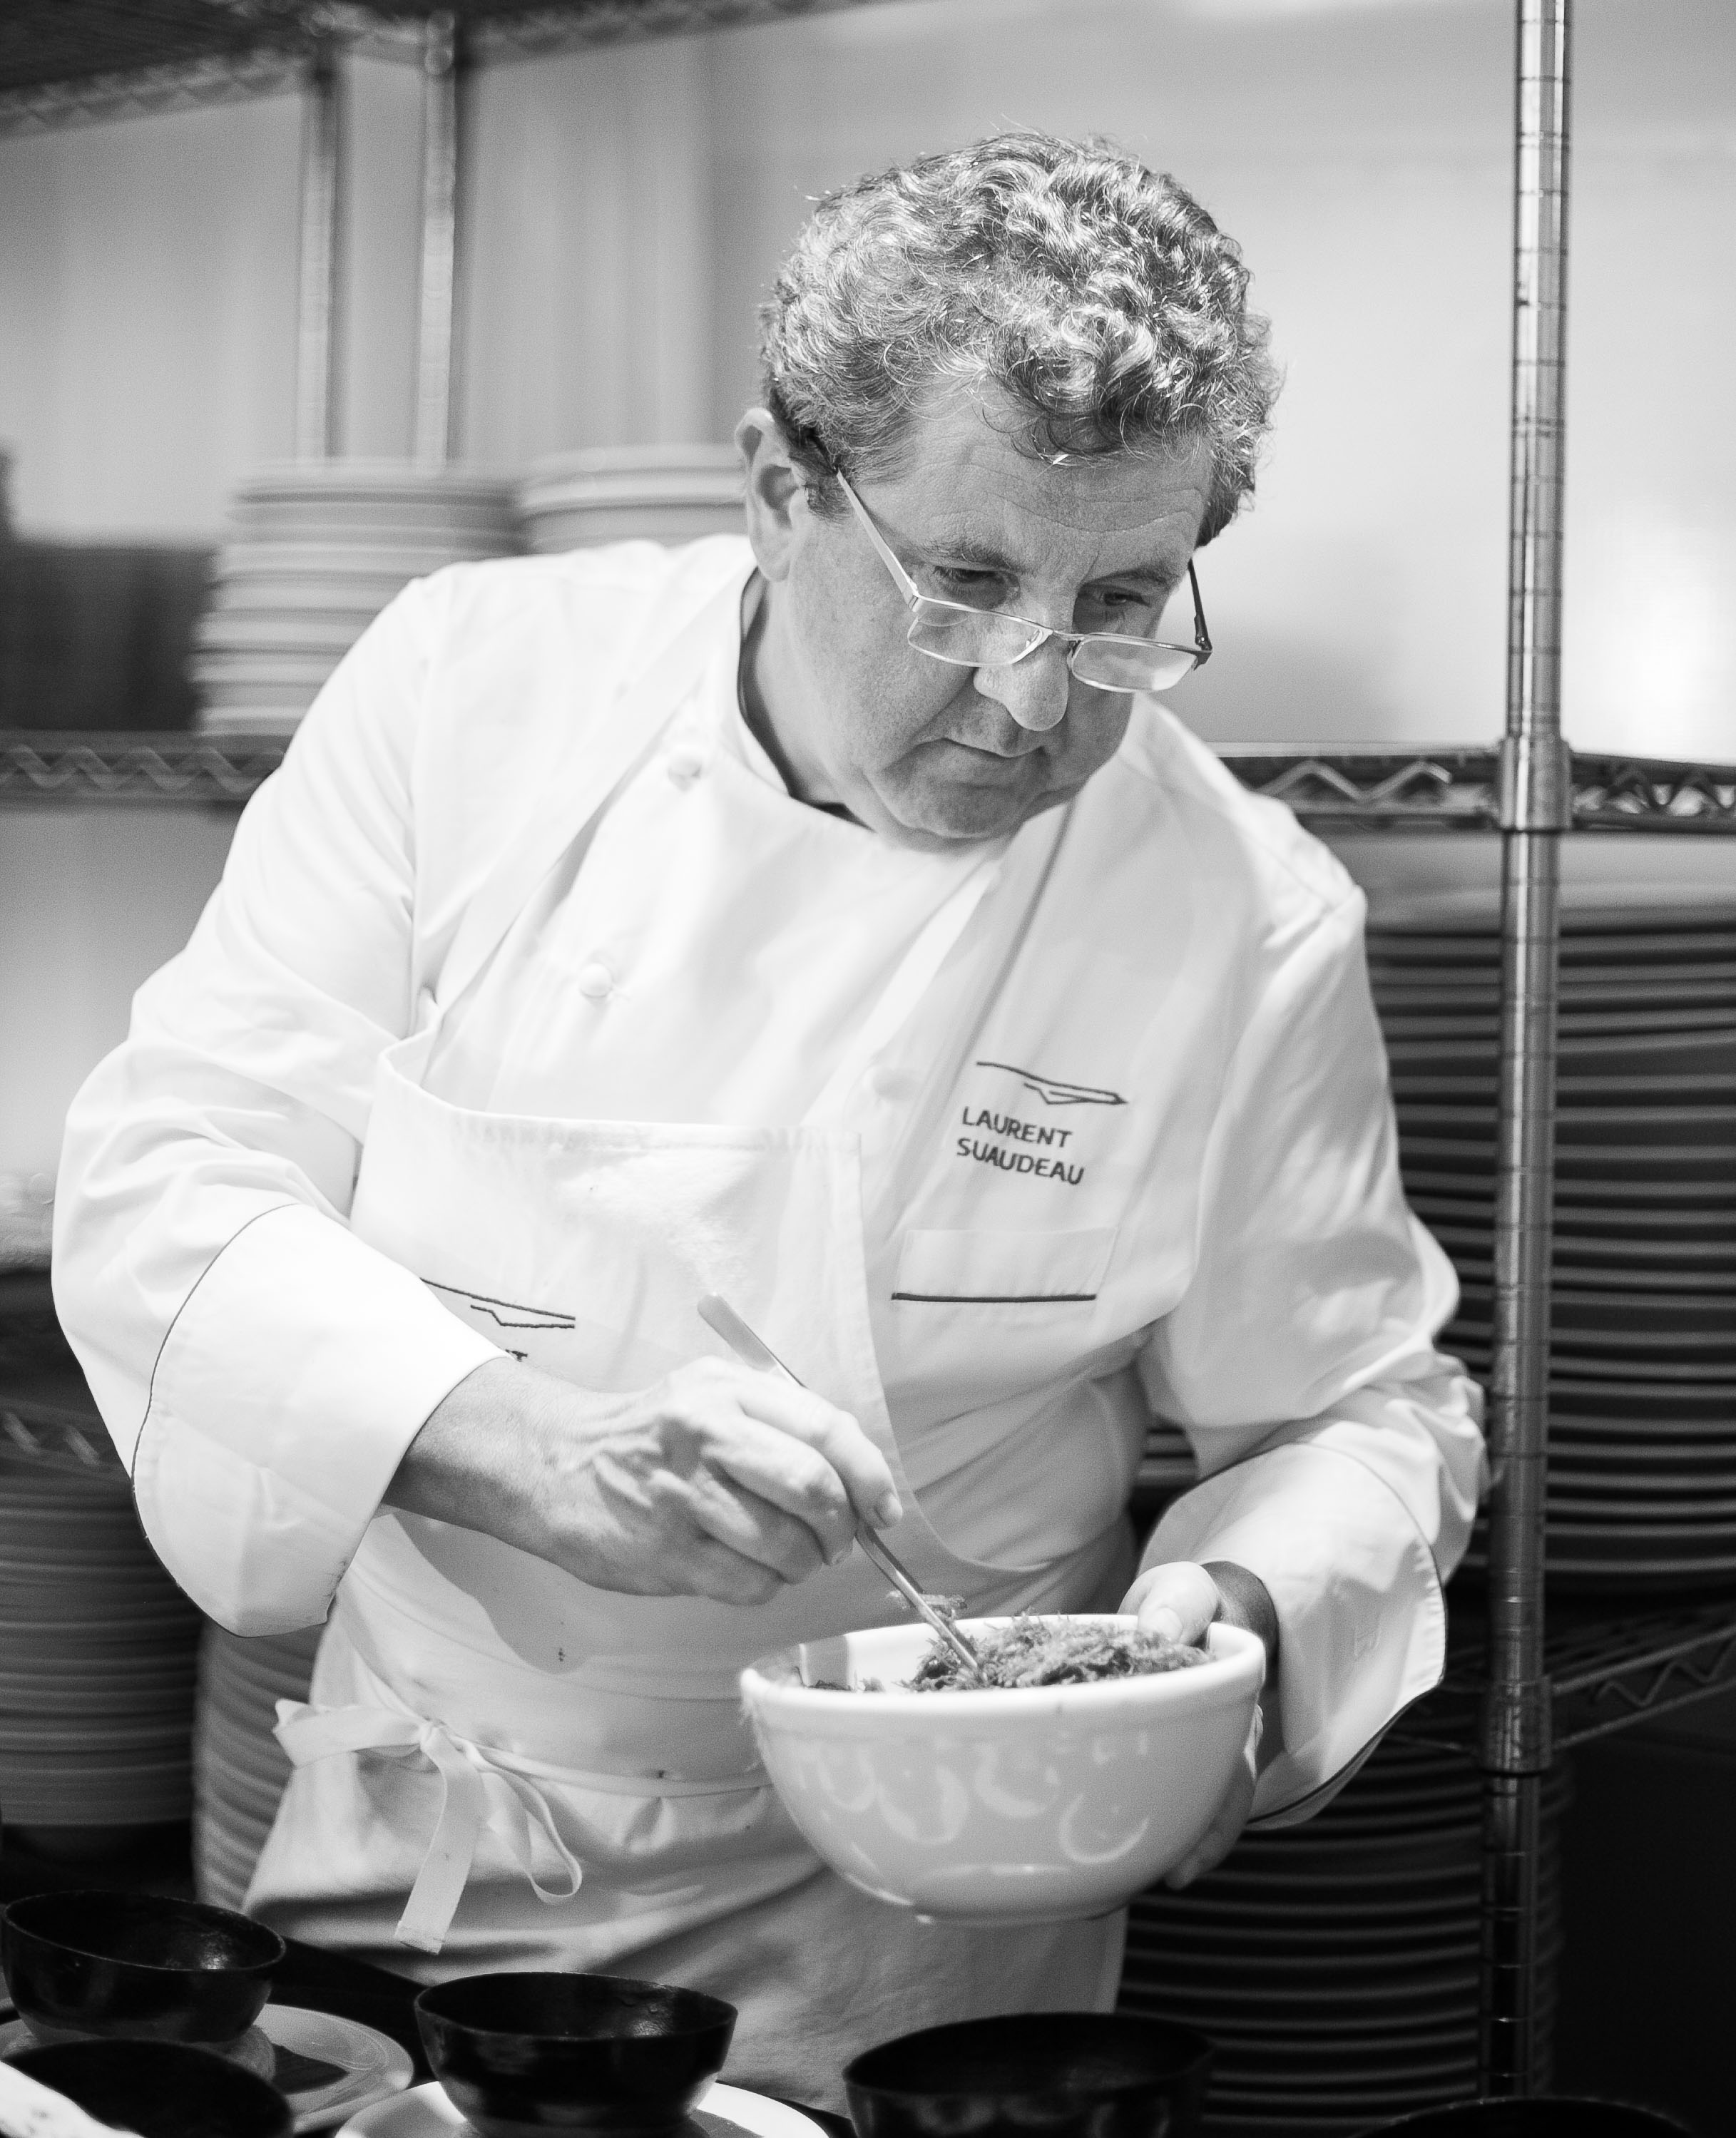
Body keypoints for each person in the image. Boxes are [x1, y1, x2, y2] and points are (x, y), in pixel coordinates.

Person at [53, 133, 1483, 2109]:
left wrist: (1231, 1614)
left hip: (933, 1932)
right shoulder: (479, 696)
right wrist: (516, 1446)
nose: (1033, 693)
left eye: (1123, 603)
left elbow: (1353, 1409)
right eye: (966, 581)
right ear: (777, 489)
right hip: (444, 1867)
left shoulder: (1237, 916)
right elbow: (169, 1181)